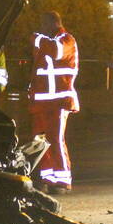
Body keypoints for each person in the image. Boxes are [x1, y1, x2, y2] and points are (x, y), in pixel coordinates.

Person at [28, 11, 79, 194]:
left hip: (59, 101)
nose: (41, 28)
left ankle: (63, 180)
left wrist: (38, 39)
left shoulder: (67, 40)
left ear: (52, 24)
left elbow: (56, 51)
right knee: (41, 142)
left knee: (56, 139)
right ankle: (47, 178)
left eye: (44, 24)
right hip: (42, 102)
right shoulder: (45, 41)